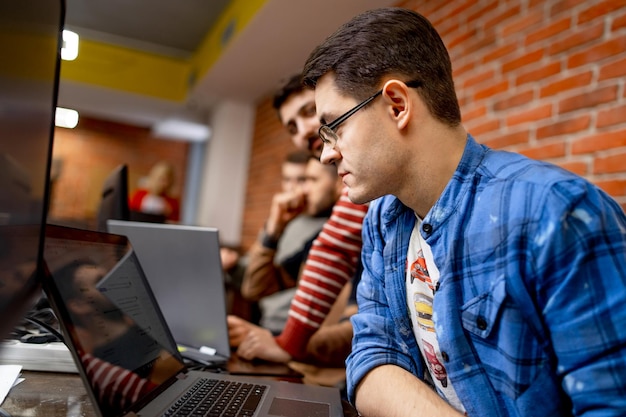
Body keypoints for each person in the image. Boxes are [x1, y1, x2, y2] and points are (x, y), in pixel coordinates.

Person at [301, 7, 626, 417]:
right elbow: (371, 355)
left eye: (334, 127)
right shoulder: (384, 221)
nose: (327, 154)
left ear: (397, 104)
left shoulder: (555, 212)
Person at [228, 74, 368, 366]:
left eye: (309, 111)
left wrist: (288, 345)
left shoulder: (362, 206)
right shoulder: (310, 229)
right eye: (291, 126)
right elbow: (254, 289)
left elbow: (335, 250)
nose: (304, 131)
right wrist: (272, 229)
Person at [239, 153, 342, 335]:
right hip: (278, 331)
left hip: (298, 339)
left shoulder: (341, 230)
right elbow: (254, 288)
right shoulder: (298, 225)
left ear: (340, 183)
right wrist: (273, 231)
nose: (301, 190)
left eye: (309, 180)